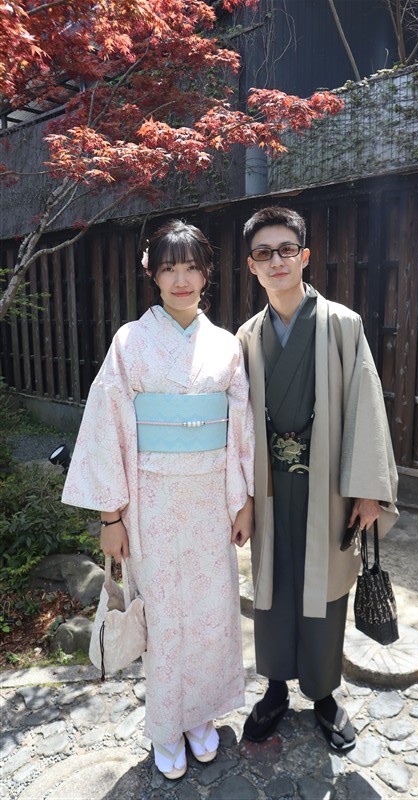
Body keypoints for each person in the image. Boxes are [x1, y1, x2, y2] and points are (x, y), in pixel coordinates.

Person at [62, 220, 254, 779]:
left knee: (213, 611)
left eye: (192, 267)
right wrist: (111, 516)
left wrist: (242, 501)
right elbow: (108, 427)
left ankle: (202, 715)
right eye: (169, 267)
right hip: (151, 503)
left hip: (211, 500)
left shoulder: (226, 346)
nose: (181, 278)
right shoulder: (130, 343)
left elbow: (239, 427)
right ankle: (167, 724)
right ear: (153, 273)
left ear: (207, 273)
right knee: (165, 616)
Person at [236, 206, 398, 752]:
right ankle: (275, 688)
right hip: (269, 488)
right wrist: (239, 497)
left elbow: (366, 406)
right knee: (272, 584)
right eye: (263, 253)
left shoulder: (342, 325)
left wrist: (368, 490)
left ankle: (324, 694)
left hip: (327, 485)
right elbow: (236, 423)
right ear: (252, 266)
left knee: (324, 589)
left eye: (287, 250)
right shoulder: (247, 337)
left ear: (304, 256)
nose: (276, 261)